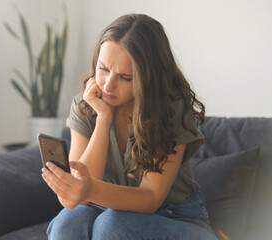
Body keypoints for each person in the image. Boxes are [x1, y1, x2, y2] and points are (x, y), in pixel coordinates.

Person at [41, 13, 217, 240]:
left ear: (148, 78)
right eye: (103, 69)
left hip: (175, 216)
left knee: (112, 225)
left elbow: (150, 199)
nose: (107, 85)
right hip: (108, 209)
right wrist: (103, 119)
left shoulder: (170, 110)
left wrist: (89, 189)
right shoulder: (85, 105)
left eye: (125, 77)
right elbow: (81, 196)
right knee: (68, 221)